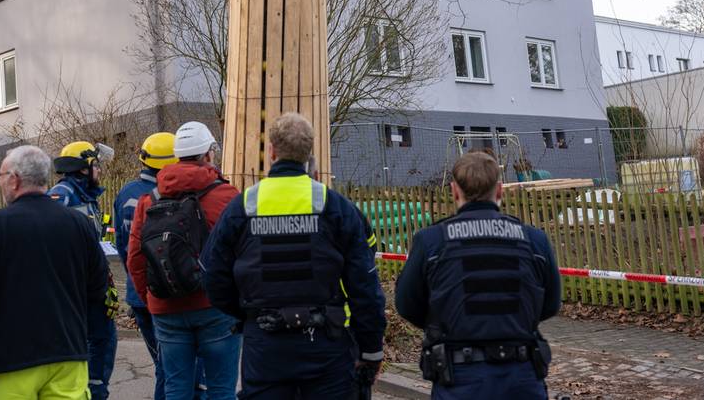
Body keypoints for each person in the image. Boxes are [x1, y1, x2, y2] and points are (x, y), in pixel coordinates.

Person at [203, 113, 386, 399]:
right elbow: (365, 287)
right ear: (309, 153)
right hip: (327, 345)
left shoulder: (242, 207)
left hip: (265, 346)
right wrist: (371, 351)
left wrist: (248, 313)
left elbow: (213, 276)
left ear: (271, 151)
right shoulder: (336, 207)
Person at [394, 151, 560, 399]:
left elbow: (407, 304)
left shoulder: (432, 242)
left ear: (454, 191)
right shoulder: (534, 240)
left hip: (460, 377)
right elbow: (550, 304)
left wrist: (444, 322)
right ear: (500, 191)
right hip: (521, 376)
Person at [0, 145, 110, 399]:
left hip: (12, 359)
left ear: (14, 180)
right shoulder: (79, 223)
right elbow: (99, 287)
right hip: (68, 354)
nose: (0, 184)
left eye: (1, 177)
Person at [128, 121, 241, 400]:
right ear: (208, 154)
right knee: (221, 390)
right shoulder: (227, 196)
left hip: (166, 309)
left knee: (176, 387)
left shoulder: (149, 200)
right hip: (216, 307)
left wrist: (152, 301)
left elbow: (135, 259)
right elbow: (243, 253)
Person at [113, 133, 206, 400]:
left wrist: (137, 286)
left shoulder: (126, 194)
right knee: (179, 372)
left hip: (140, 292)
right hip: (170, 294)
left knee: (164, 368)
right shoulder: (173, 193)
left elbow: (125, 248)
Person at [48, 141, 119, 399]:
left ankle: (95, 388)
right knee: (93, 343)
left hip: (91, 284)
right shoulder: (62, 195)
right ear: (83, 168)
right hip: (74, 288)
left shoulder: (87, 197)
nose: (99, 170)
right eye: (95, 165)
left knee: (103, 341)